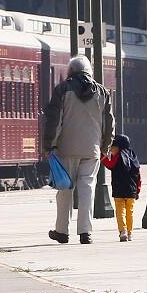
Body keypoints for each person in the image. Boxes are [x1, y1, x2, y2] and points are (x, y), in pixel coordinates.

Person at [43, 55, 113, 245]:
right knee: (87, 190)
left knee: (65, 189)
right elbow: (109, 123)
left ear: (71, 71)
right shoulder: (102, 92)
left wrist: (49, 145)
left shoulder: (62, 90)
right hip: (92, 150)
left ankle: (62, 231)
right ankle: (85, 232)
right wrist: (105, 146)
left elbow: (55, 121)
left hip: (66, 149)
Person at [102, 134, 142, 242]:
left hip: (119, 190)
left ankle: (123, 231)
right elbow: (138, 175)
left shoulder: (117, 157)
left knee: (120, 212)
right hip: (131, 191)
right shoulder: (133, 157)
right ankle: (130, 233)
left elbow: (110, 165)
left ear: (118, 147)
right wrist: (138, 190)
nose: (111, 150)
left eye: (112, 147)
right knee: (130, 212)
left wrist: (102, 156)